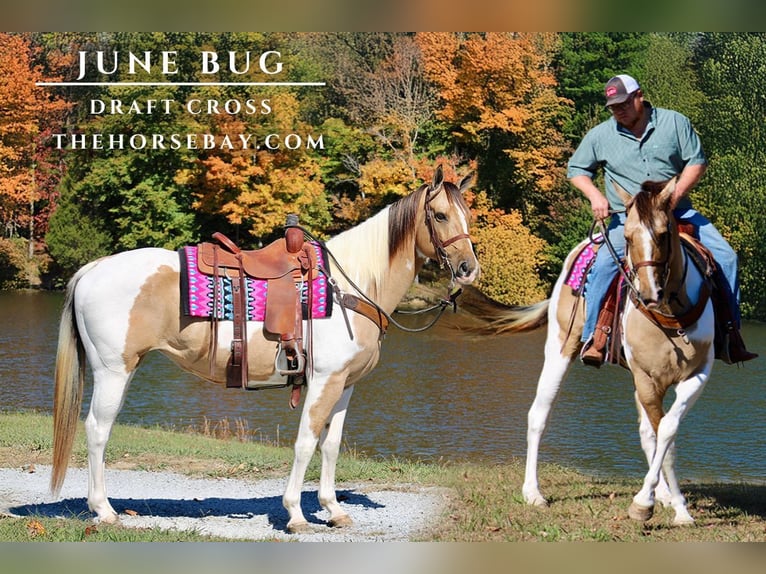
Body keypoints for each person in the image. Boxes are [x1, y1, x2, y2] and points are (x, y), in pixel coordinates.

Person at [567, 74, 757, 367]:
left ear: (639, 96)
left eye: (624, 103)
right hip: (629, 220)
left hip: (677, 211)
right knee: (604, 264)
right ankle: (596, 338)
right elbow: (577, 169)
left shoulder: (674, 122)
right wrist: (594, 195)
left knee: (727, 258)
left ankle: (730, 336)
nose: (619, 110)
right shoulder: (599, 136)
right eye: (613, 106)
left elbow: (697, 161)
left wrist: (673, 196)